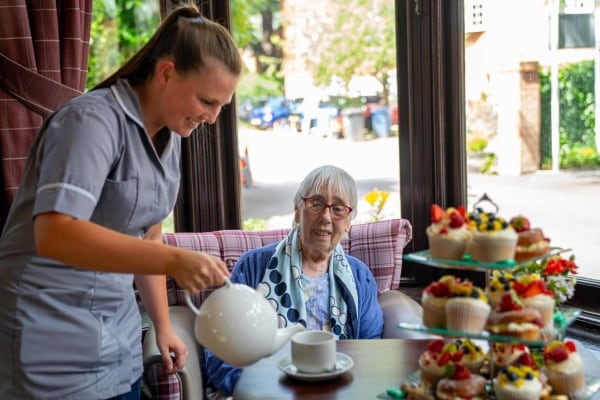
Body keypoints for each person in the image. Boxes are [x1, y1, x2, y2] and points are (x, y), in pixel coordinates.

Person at [0, 4, 240, 400]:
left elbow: (149, 236)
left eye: (221, 107)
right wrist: (175, 262)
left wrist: (163, 326)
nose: (212, 119)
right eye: (207, 102)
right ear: (166, 73)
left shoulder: (172, 136)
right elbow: (55, 233)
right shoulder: (88, 123)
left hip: (119, 341)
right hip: (49, 343)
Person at [204, 165, 384, 398]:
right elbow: (220, 348)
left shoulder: (359, 277)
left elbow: (370, 351)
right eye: (316, 204)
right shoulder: (253, 267)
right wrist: (262, 388)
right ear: (297, 211)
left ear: (349, 221)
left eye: (338, 209)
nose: (326, 217)